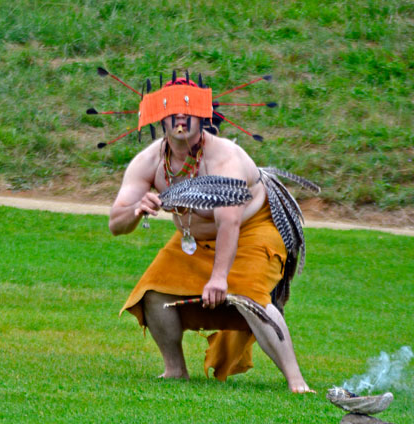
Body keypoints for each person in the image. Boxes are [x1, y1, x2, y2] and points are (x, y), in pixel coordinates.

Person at [110, 76, 314, 393]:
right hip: (194, 237)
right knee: (152, 293)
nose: (180, 119)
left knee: (251, 296)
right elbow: (116, 224)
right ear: (160, 117)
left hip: (251, 230)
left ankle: (296, 382)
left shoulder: (224, 158)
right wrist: (136, 207)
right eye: (173, 112)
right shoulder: (150, 161)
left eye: (187, 112)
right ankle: (175, 370)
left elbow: (229, 222)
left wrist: (219, 277)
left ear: (203, 117)